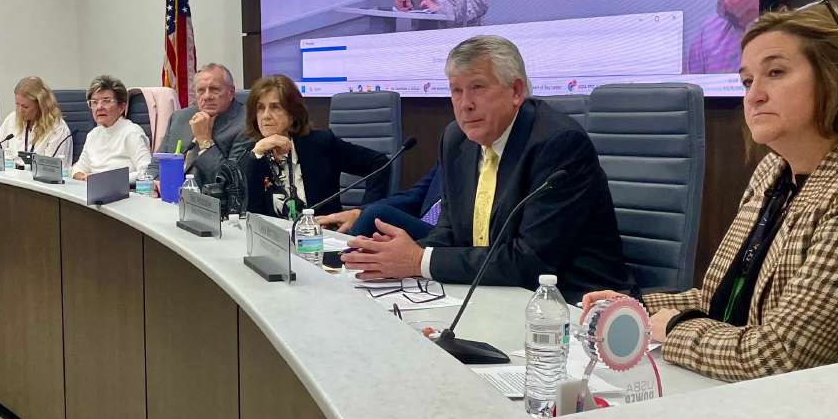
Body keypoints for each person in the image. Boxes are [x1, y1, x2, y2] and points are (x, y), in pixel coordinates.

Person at [583, 1, 838, 382]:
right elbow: (726, 302)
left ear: (837, 79)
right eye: (746, 81)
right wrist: (635, 308)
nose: (754, 95)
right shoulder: (774, 171)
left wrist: (674, 329)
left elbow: (779, 358)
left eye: (775, 72)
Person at [342, 35, 635, 304]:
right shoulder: (457, 139)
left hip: (574, 305)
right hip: (492, 292)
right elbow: (450, 233)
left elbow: (530, 261)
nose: (465, 104)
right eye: (456, 91)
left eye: (477, 88)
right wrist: (396, 258)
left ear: (516, 90)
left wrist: (419, 261)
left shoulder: (557, 144)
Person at [240, 75, 389, 218]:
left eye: (275, 107)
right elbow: (251, 214)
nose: (265, 115)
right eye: (260, 108)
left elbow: (380, 163)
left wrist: (363, 213)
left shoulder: (320, 145)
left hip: (323, 237)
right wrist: (257, 156)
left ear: (293, 114)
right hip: (274, 241)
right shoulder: (252, 155)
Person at [155, 63, 245, 185]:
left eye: (214, 89)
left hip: (210, 200)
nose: (207, 96)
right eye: (201, 91)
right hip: (168, 197)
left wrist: (205, 141)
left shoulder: (246, 123)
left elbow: (233, 183)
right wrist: (154, 182)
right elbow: (156, 164)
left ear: (231, 93)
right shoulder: (179, 118)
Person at [317, 163, 441, 241]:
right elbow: (415, 195)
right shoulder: (451, 141)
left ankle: (338, 261)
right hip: (425, 228)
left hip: (450, 239)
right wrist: (358, 213)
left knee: (376, 214)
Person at [71, 75, 152, 181]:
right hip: (94, 190)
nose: (99, 107)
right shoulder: (93, 134)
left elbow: (146, 172)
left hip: (121, 193)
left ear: (121, 107)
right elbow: (78, 168)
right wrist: (84, 176)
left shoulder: (132, 133)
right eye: (94, 102)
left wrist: (106, 180)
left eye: (106, 101)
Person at [0, 76, 73, 166]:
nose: (19, 111)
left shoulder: (58, 129)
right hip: (10, 177)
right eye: (17, 104)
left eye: (25, 107)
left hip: (39, 179)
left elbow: (54, 169)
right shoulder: (12, 119)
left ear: (40, 105)